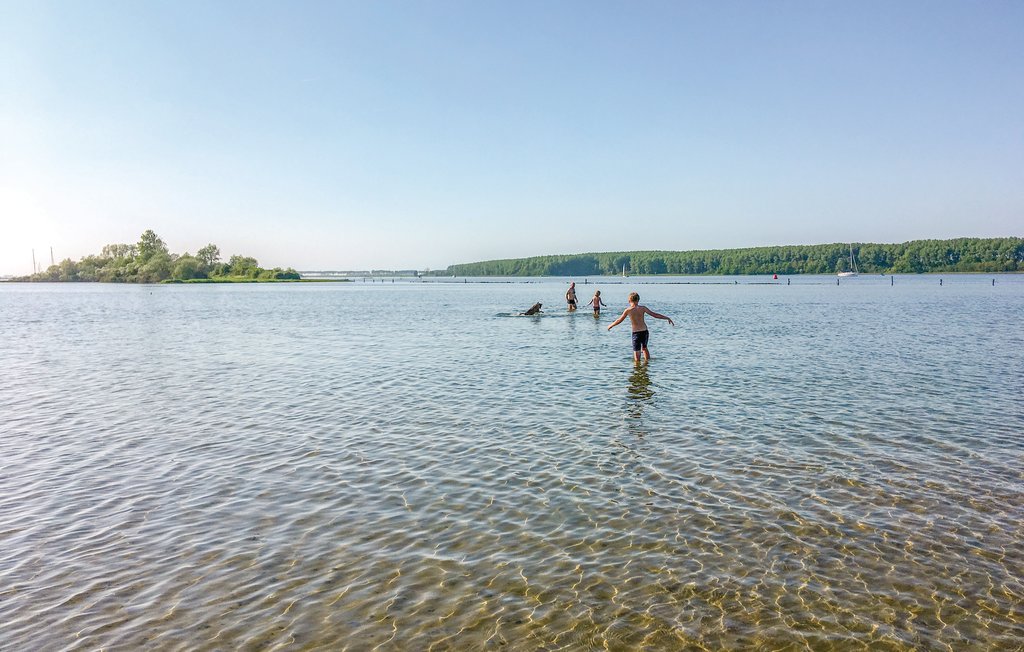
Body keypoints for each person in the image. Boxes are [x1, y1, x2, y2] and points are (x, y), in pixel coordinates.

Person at [607, 292, 674, 362]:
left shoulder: (628, 310)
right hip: (645, 331)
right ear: (638, 300)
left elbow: (619, 320)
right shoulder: (643, 308)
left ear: (629, 301)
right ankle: (647, 365)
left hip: (636, 333)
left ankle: (637, 369)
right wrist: (667, 318)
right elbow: (654, 314)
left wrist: (611, 325)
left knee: (636, 353)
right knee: (644, 348)